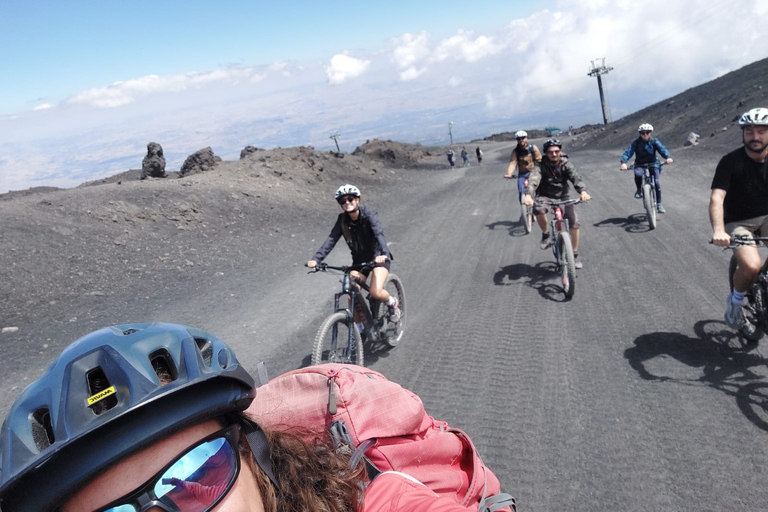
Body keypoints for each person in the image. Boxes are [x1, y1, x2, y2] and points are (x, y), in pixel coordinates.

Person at [0, 322, 505, 512]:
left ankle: (384, 309)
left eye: (194, 479)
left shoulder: (372, 502)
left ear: (253, 455)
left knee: (371, 283)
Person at [710, 107, 768, 330]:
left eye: (761, 131)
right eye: (750, 132)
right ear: (743, 134)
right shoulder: (730, 161)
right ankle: (735, 302)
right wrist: (718, 230)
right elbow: (717, 198)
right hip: (739, 222)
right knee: (751, 266)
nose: (755, 137)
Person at [307, 184, 399, 324]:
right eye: (343, 201)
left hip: (378, 258)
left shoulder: (369, 215)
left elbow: (379, 234)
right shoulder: (342, 220)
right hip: (359, 262)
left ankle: (392, 302)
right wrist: (316, 259)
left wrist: (384, 253)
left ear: (357, 200)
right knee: (352, 295)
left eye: (350, 199)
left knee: (375, 292)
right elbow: (331, 240)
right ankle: (359, 331)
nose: (347, 203)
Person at [523, 139, 591, 268]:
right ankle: (546, 234)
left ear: (560, 151)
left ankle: (574, 255)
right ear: (546, 153)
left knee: (574, 221)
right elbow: (533, 180)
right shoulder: (540, 166)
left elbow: (575, 177)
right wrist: (529, 195)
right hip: (545, 196)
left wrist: (583, 191)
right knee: (538, 209)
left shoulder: (566, 164)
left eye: (557, 151)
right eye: (551, 152)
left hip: (563, 196)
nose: (554, 154)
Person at [619, 123, 674, 213]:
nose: (645, 134)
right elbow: (628, 152)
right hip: (640, 164)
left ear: (650, 133)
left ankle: (659, 204)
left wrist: (668, 157)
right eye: (643, 133)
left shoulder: (654, 141)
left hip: (653, 163)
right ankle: (639, 190)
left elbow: (662, 149)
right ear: (640, 133)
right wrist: (624, 162)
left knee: (656, 182)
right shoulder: (636, 143)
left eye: (647, 132)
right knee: (638, 174)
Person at [504, 130, 542, 203]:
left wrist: (540, 169)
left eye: (523, 138)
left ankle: (538, 206)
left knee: (538, 189)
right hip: (522, 174)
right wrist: (509, 173)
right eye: (519, 139)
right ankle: (524, 210)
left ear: (526, 138)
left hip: (533, 172)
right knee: (521, 191)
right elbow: (513, 162)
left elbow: (539, 159)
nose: (521, 140)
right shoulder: (515, 151)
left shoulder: (533, 148)